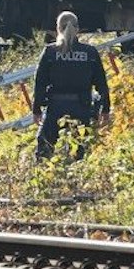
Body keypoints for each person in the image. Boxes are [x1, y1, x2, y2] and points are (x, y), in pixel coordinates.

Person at [33, 11, 110, 161]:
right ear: (78, 29)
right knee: (79, 154)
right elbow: (101, 84)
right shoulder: (90, 53)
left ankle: (46, 182)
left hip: (55, 108)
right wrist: (105, 109)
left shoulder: (50, 52)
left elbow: (40, 83)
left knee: (44, 153)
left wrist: (36, 109)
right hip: (82, 109)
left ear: (58, 28)